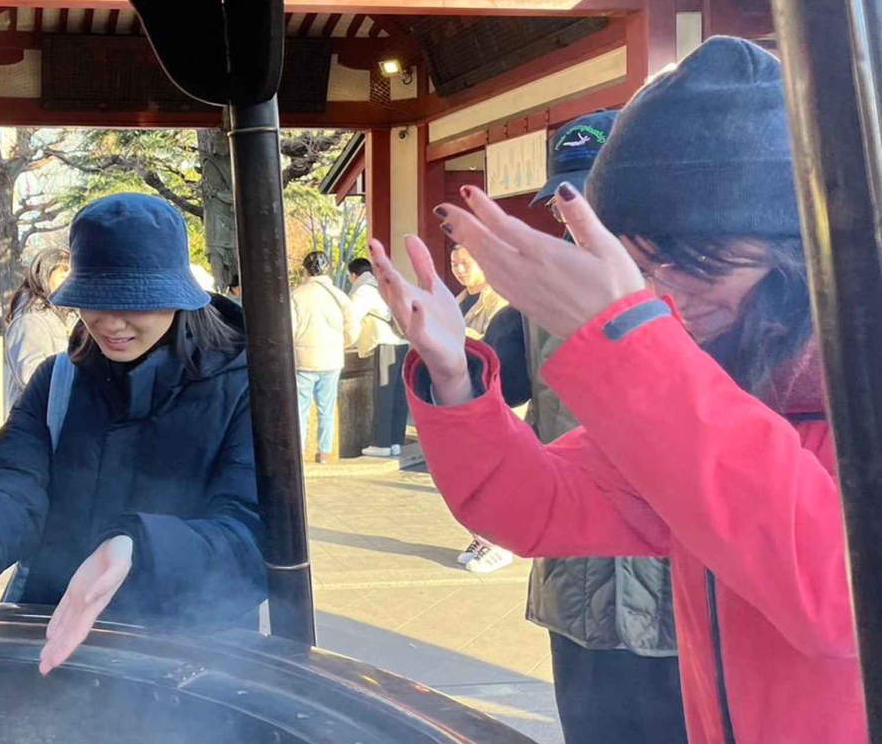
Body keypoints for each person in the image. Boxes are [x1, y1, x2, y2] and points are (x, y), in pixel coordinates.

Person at [370, 37, 863, 744]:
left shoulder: (856, 394)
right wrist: (454, 376)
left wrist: (632, 338)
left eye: (704, 263)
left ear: (800, 252)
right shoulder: (724, 382)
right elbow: (537, 504)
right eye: (641, 267)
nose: (670, 297)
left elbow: (839, 595)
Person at [0, 193, 265, 673]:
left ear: (177, 295)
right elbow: (12, 476)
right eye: (95, 300)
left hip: (188, 663)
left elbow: (249, 533)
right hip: (56, 642)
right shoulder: (60, 379)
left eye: (134, 302)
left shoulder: (243, 386)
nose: (110, 322)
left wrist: (139, 549)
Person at [514, 109, 686, 744]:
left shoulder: (694, 282)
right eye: (565, 202)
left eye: (593, 197)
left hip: (676, 588)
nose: (578, 217)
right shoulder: (541, 287)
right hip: (576, 585)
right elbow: (501, 387)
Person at [446, 244, 530, 573]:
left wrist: (462, 336)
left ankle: (500, 543)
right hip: (471, 396)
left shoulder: (499, 300)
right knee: (472, 474)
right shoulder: (462, 298)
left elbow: (500, 346)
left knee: (497, 473)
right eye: (454, 263)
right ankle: (482, 538)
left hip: (499, 398)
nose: (459, 269)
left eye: (465, 263)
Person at [290, 251, 358, 463]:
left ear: (306, 269)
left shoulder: (296, 295)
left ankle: (299, 453)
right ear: (327, 268)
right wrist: (341, 343)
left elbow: (289, 329)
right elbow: (353, 327)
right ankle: (326, 452)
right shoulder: (339, 295)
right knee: (327, 408)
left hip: (303, 360)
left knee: (300, 410)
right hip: (331, 358)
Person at [348, 258, 409, 459]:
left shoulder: (363, 290)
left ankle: (380, 443)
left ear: (353, 275)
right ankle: (395, 442)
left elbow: (350, 319)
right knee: (397, 393)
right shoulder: (382, 287)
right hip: (402, 342)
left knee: (382, 393)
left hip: (384, 342)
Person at [2, 248, 73, 410]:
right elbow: (30, 375)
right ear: (45, 275)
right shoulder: (31, 319)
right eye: (64, 273)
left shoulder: (65, 313)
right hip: (35, 418)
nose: (70, 280)